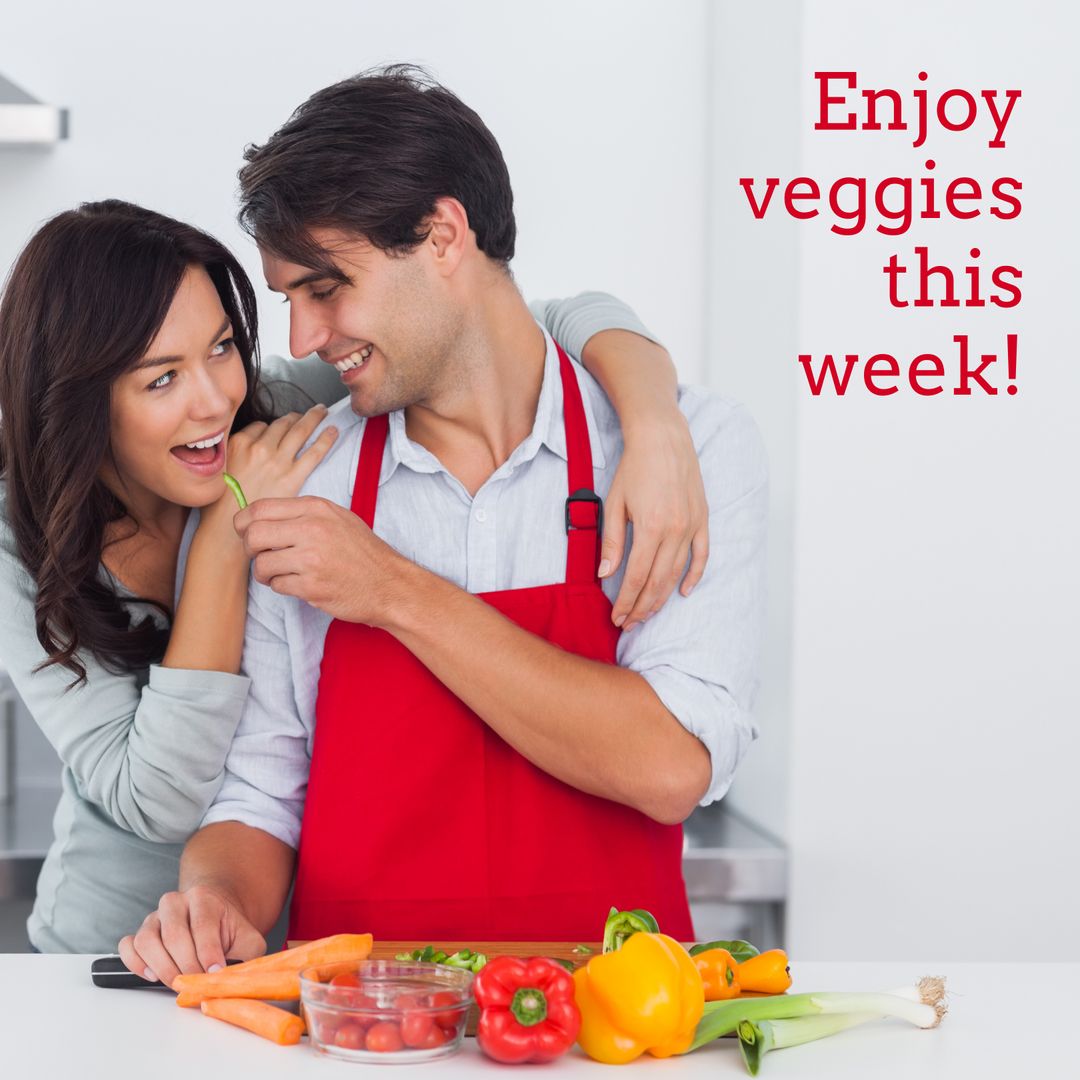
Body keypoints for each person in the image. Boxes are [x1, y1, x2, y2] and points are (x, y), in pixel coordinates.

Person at [121, 66, 767, 983]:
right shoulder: (304, 477)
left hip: (614, 1026)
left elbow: (671, 767)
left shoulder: (684, 452)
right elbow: (259, 796)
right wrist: (218, 902)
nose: (303, 339)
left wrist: (389, 590)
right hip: (361, 1029)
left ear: (443, 236)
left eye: (326, 287)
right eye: (290, 302)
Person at [0, 200, 699, 954]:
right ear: (78, 398)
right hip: (122, 945)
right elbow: (160, 801)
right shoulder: (22, 541)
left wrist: (656, 422)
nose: (213, 401)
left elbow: (530, 320)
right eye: (161, 378)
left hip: (284, 942)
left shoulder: (285, 412)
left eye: (223, 347)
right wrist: (224, 543)